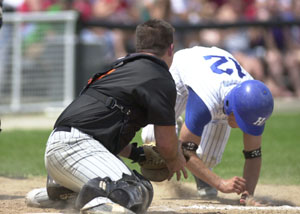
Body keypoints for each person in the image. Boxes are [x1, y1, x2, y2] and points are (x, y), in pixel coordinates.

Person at [25, 19, 187, 213]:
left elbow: (98, 126)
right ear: (171, 49)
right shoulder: (159, 77)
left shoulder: (117, 67)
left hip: (62, 145)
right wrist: (174, 158)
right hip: (77, 149)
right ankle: (96, 206)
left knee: (130, 187)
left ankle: (60, 193)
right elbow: (167, 145)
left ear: (139, 46)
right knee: (136, 189)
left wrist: (137, 154)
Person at [141, 45, 274, 205]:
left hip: (216, 80)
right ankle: (175, 125)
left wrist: (248, 194)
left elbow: (253, 154)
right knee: (153, 137)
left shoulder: (253, 100)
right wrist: (220, 183)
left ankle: (199, 164)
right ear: (231, 107)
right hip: (183, 69)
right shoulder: (207, 101)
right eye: (241, 120)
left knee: (208, 159)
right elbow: (185, 149)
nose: (241, 127)